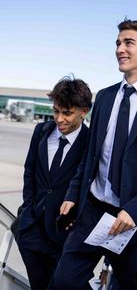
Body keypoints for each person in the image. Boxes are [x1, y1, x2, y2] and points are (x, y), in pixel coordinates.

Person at [53, 19, 137, 290]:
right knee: (64, 281)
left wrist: (134, 210)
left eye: (129, 43)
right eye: (118, 43)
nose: (120, 49)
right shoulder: (104, 97)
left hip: (135, 221)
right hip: (94, 211)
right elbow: (91, 157)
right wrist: (72, 193)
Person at [16, 75, 92, 290]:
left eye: (67, 113)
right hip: (32, 230)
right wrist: (27, 212)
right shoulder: (41, 131)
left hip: (64, 236)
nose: (59, 119)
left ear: (83, 111)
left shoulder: (90, 142)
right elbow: (29, 172)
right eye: (56, 111)